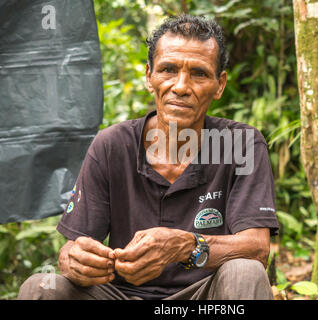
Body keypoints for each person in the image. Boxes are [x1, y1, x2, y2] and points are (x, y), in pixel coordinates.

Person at [18, 14, 279, 300]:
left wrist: (186, 246)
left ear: (220, 84)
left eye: (199, 73)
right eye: (168, 69)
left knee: (246, 271)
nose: (180, 86)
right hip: (120, 295)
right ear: (148, 76)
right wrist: (74, 259)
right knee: (41, 287)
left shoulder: (240, 144)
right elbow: (72, 249)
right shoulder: (112, 145)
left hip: (204, 297)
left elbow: (256, 248)